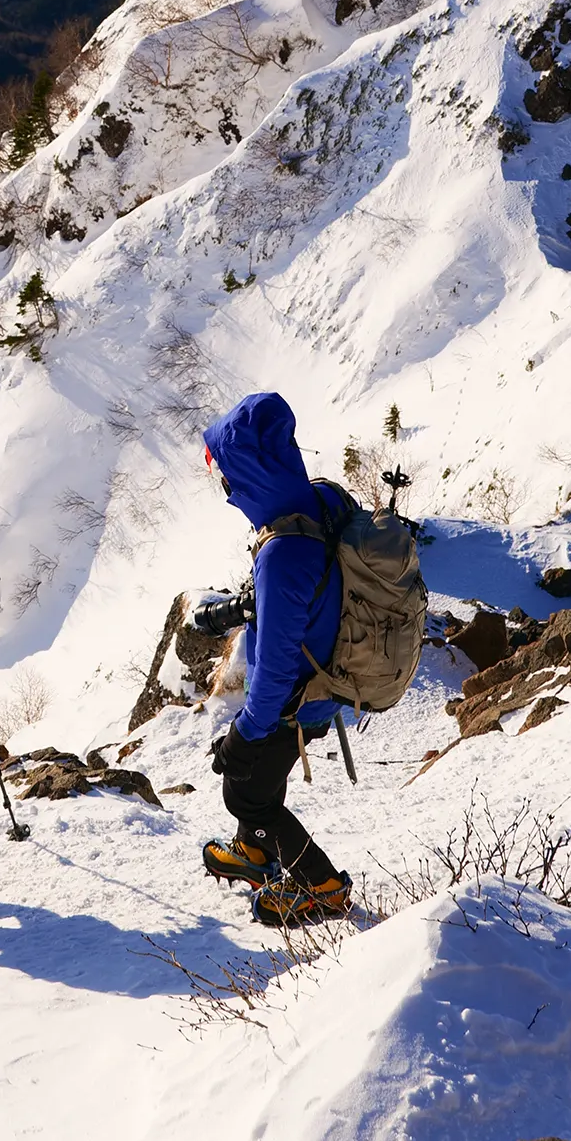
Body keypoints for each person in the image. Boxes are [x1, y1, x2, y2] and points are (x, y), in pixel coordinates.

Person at [199, 391, 354, 926]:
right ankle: (257, 853)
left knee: (247, 795)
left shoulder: (284, 551)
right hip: (322, 682)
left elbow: (276, 666)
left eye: (224, 472)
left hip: (296, 698)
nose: (224, 488)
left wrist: (245, 732)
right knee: (265, 778)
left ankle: (324, 888)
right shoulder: (315, 501)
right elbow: (302, 604)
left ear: (247, 470)